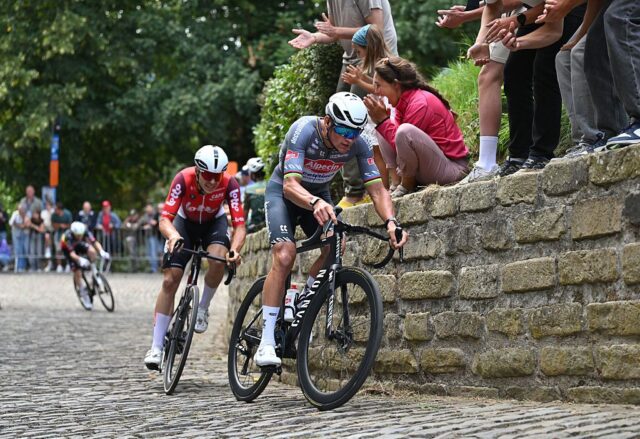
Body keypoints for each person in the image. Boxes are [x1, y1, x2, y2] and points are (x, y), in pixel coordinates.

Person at [254, 92, 408, 366]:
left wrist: (391, 222)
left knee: (336, 244)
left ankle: (300, 299)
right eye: (343, 130)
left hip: (318, 193)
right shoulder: (303, 130)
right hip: (285, 193)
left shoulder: (358, 144)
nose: (349, 138)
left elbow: (377, 189)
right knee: (285, 255)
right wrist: (314, 202)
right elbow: (290, 185)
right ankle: (266, 342)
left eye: (355, 132)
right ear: (327, 121)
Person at [144, 145, 246, 370]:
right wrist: (173, 236)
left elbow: (239, 225)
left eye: (217, 176)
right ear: (198, 171)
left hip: (213, 224)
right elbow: (165, 219)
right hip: (184, 224)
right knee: (170, 279)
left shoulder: (230, 184)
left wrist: (235, 249)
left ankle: (202, 307)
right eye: (208, 175)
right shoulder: (183, 179)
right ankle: (156, 347)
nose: (213, 181)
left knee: (218, 259)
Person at [289, 0, 398, 208]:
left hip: (375, 57)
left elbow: (376, 27)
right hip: (351, 58)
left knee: (356, 126)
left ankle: (363, 191)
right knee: (336, 119)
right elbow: (334, 33)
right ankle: (355, 190)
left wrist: (336, 31)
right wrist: (314, 37)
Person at [363, 57, 469, 196]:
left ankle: (406, 185)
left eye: (378, 85)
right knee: (382, 126)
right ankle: (396, 183)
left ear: (396, 85)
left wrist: (383, 120)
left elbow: (402, 143)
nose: (376, 91)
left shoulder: (420, 103)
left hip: (452, 170)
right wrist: (382, 121)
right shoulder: (403, 101)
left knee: (402, 130)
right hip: (430, 167)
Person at [341, 24, 394, 188]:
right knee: (378, 153)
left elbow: (378, 89)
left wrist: (358, 81)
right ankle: (385, 188)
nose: (358, 55)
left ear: (368, 48)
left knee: (383, 153)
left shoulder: (384, 65)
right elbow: (374, 84)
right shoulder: (377, 64)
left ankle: (389, 186)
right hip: (375, 114)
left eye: (359, 51)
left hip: (380, 112)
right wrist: (360, 78)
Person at [60, 221, 110, 310]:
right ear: (73, 233)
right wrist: (80, 259)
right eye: (78, 235)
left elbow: (94, 242)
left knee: (92, 251)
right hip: (68, 250)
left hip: (78, 244)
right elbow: (72, 254)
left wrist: (102, 251)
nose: (80, 237)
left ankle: (94, 272)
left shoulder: (85, 231)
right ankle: (84, 294)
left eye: (81, 235)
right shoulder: (67, 237)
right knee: (77, 272)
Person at [243, 157, 267, 233]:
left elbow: (245, 213)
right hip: (271, 223)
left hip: (255, 227)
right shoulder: (272, 184)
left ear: (253, 174)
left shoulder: (249, 189)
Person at [51, 201, 73, 272]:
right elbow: (53, 225)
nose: (54, 210)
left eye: (56, 209)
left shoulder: (68, 214)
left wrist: (64, 226)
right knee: (58, 250)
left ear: (59, 209)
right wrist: (60, 225)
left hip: (66, 234)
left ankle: (68, 265)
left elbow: (70, 225)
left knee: (68, 250)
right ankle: (59, 266)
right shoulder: (54, 215)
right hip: (58, 234)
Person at [140, 203, 160, 273]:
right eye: (147, 208)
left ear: (152, 208)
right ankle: (152, 268)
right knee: (148, 253)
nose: (148, 209)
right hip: (147, 236)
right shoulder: (145, 216)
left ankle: (154, 269)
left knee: (153, 252)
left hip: (154, 236)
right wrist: (146, 225)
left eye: (149, 208)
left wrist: (152, 224)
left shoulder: (155, 214)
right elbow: (140, 222)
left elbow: (157, 222)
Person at [9, 203, 29, 272]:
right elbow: (10, 223)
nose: (21, 210)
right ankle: (18, 267)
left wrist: (20, 224)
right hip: (16, 234)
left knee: (24, 249)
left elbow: (26, 224)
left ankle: (23, 267)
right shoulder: (15, 213)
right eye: (20, 209)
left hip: (24, 234)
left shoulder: (26, 214)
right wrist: (18, 225)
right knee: (17, 250)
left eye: (22, 209)